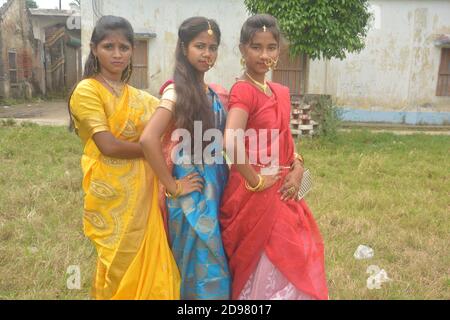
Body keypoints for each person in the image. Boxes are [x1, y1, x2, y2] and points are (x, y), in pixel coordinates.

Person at [68, 15, 180, 300]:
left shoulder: (139, 97)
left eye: (124, 48)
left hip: (144, 193)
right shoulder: (87, 90)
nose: (117, 54)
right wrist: (150, 147)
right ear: (94, 49)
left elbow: (170, 117)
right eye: (109, 47)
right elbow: (108, 145)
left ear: (132, 50)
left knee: (151, 267)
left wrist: (174, 89)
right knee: (119, 263)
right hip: (111, 195)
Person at [219, 14, 329, 300]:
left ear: (279, 51)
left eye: (271, 48)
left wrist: (298, 168)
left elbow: (286, 142)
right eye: (256, 47)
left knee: (296, 250)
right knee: (271, 254)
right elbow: (231, 139)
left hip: (282, 187)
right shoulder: (243, 90)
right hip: (253, 194)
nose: (264, 55)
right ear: (242, 49)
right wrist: (255, 181)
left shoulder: (278, 91)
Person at [140, 17, 231, 300]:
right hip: (191, 191)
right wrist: (172, 186)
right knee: (198, 264)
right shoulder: (175, 91)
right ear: (184, 47)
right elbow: (147, 139)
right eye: (199, 46)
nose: (207, 54)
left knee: (218, 260)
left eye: (213, 47)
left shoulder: (212, 92)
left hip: (218, 183)